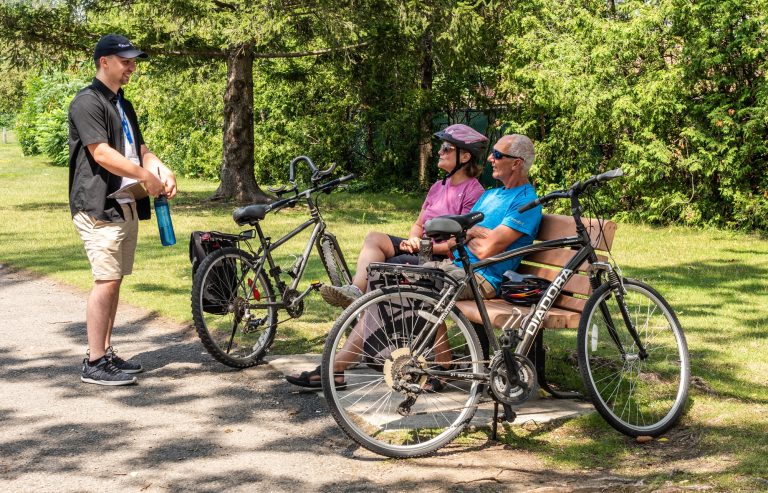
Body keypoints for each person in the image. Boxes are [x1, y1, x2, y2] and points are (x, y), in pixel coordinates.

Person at [288, 134, 543, 390]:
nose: (490, 159)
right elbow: (458, 235)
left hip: (481, 277)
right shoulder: (491, 195)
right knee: (387, 281)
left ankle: (337, 368)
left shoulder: (525, 203)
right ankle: (435, 366)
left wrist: (470, 234)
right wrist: (473, 233)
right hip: (457, 267)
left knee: (402, 285)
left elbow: (486, 249)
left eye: (497, 155)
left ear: (516, 163)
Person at [69, 34, 177, 386]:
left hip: (126, 202)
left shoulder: (122, 103)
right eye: (125, 61)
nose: (132, 67)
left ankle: (105, 351)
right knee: (106, 281)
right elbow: (101, 152)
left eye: (133, 62)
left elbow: (139, 148)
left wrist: (159, 168)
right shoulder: (88, 102)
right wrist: (145, 176)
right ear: (104, 62)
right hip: (99, 205)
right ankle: (94, 361)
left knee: (114, 280)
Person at [318, 124, 487, 309]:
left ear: (465, 157)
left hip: (441, 259)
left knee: (381, 270)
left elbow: (460, 240)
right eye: (441, 147)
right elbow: (419, 224)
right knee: (374, 238)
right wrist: (413, 238)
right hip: (421, 247)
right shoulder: (437, 186)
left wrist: (425, 246)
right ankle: (355, 291)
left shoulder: (473, 191)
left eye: (447, 148)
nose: (440, 152)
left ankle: (362, 313)